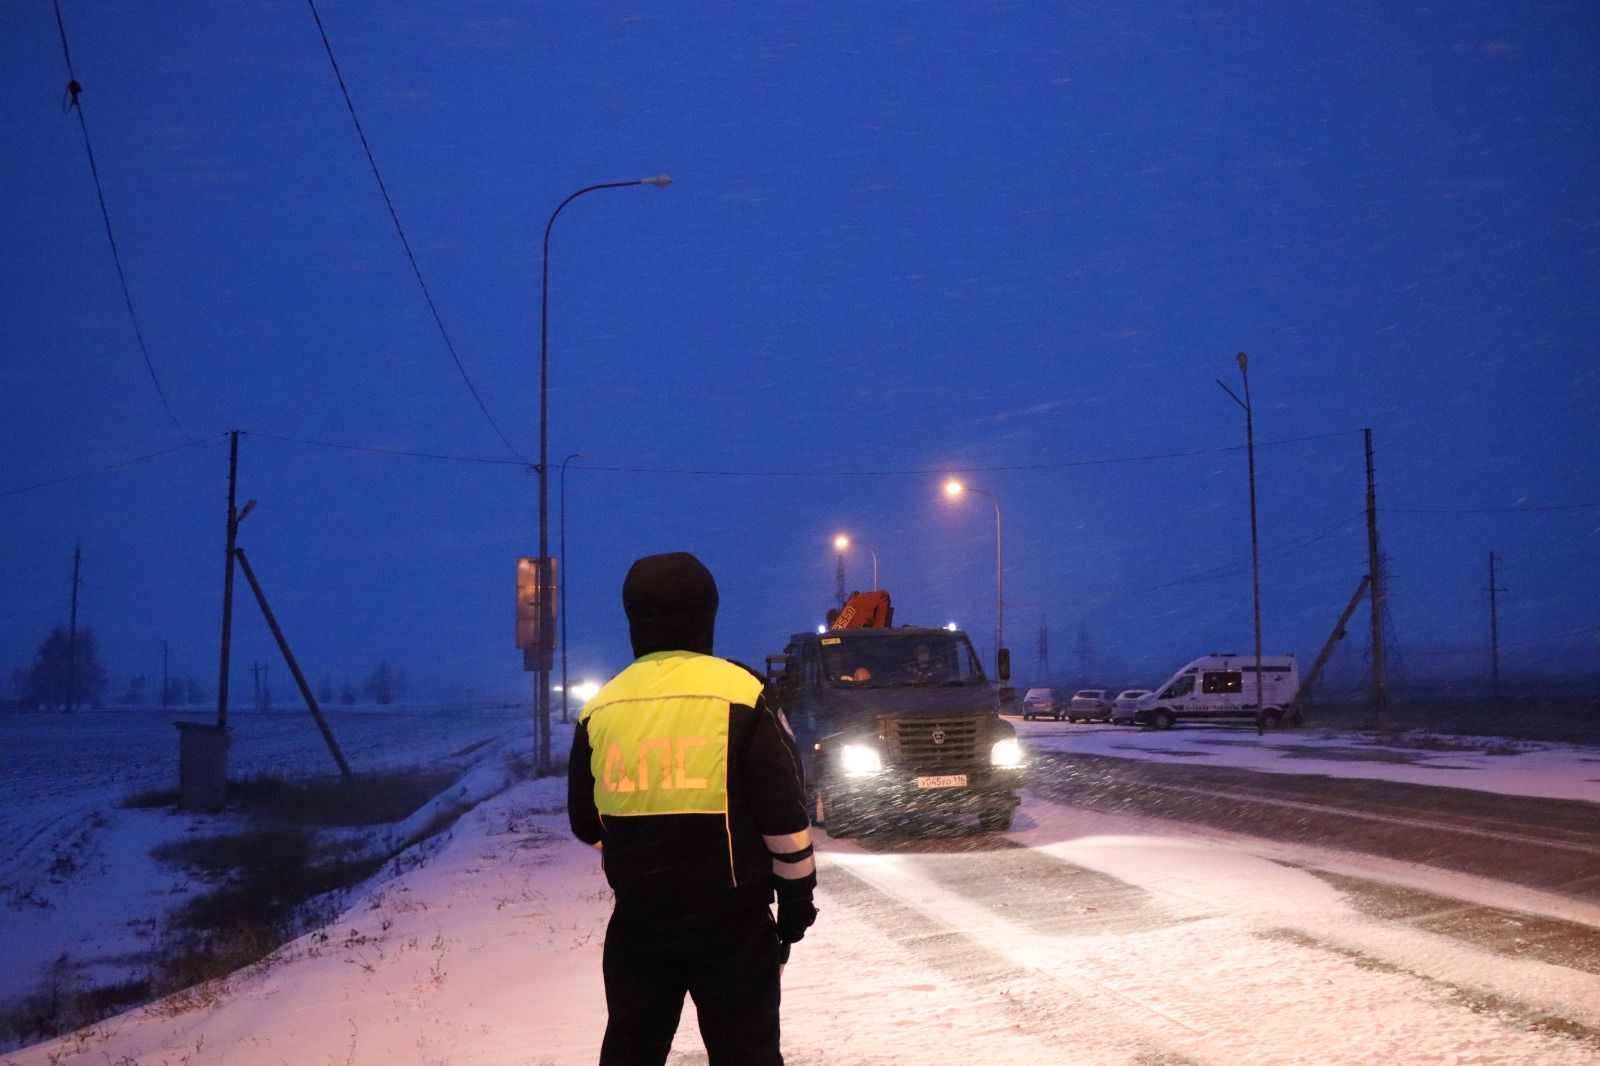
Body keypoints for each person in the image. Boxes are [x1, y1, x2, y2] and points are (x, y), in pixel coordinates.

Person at [568, 551, 817, 1066]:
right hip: (733, 928)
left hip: (638, 927)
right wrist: (794, 908)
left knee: (631, 1052)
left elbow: (586, 821)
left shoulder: (601, 709)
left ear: (633, 617)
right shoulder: (743, 695)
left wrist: (644, 857)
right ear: (708, 613)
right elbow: (785, 819)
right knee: (746, 1053)